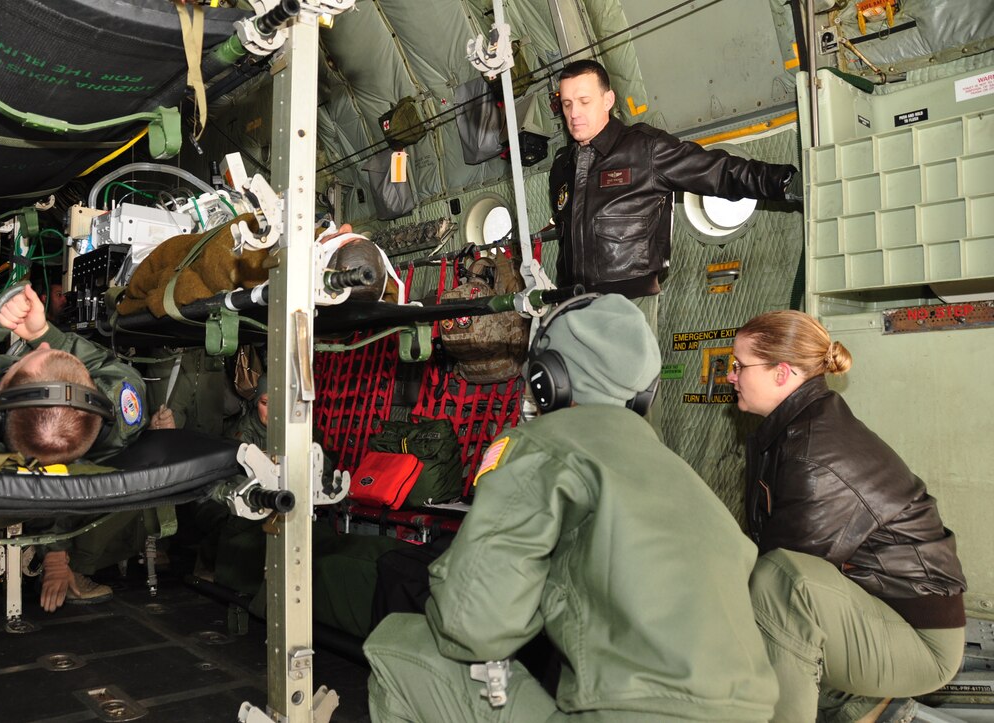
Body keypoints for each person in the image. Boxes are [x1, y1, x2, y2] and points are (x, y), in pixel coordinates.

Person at [364, 294, 779, 722]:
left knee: (399, 644)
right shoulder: (678, 471)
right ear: (643, 394)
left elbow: (473, 628)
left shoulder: (543, 443)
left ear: (548, 378)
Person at [728, 310, 966, 722]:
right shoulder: (794, 430)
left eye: (739, 366)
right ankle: (851, 703)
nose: (730, 376)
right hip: (879, 615)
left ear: (782, 373)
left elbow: (783, 579)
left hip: (920, 641)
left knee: (780, 585)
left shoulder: (815, 455)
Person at [0, 282, 154, 611]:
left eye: (33, 355)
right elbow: (123, 377)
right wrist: (43, 333)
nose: (39, 346)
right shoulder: (102, 435)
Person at [549, 59, 799, 302]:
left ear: (608, 100)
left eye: (584, 101)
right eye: (568, 104)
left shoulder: (644, 148)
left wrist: (782, 181)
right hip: (574, 302)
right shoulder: (563, 166)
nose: (575, 113)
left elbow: (718, 171)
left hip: (629, 300)